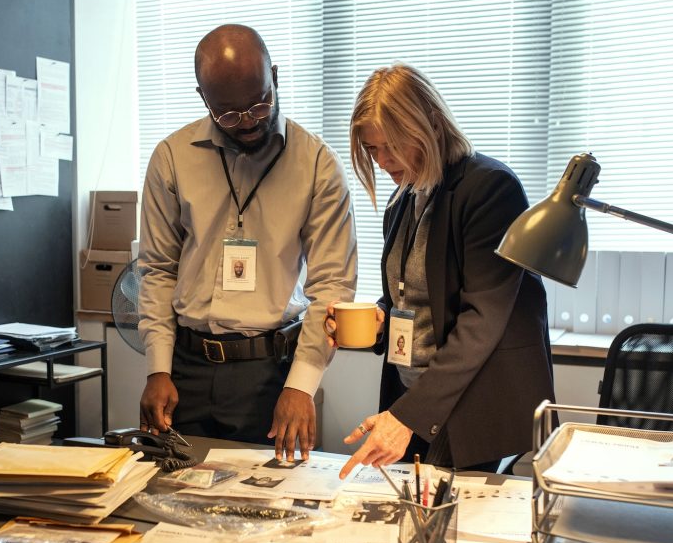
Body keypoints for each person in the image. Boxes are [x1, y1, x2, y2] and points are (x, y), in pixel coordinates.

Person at [137, 24, 357, 462]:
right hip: (187, 369)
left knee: (268, 510)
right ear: (203, 99)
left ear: (275, 76)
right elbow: (158, 269)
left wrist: (301, 383)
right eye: (229, 114)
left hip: (271, 373)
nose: (249, 121)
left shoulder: (317, 165)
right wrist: (158, 368)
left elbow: (331, 286)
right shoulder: (172, 158)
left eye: (260, 104)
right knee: (174, 505)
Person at [330, 64, 554, 477]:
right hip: (418, 397)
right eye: (372, 149)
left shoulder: (490, 189)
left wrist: (408, 416)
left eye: (391, 146)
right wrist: (380, 317)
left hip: (474, 404)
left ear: (430, 124)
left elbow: (483, 319)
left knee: (449, 529)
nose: (382, 162)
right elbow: (408, 293)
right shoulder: (404, 198)